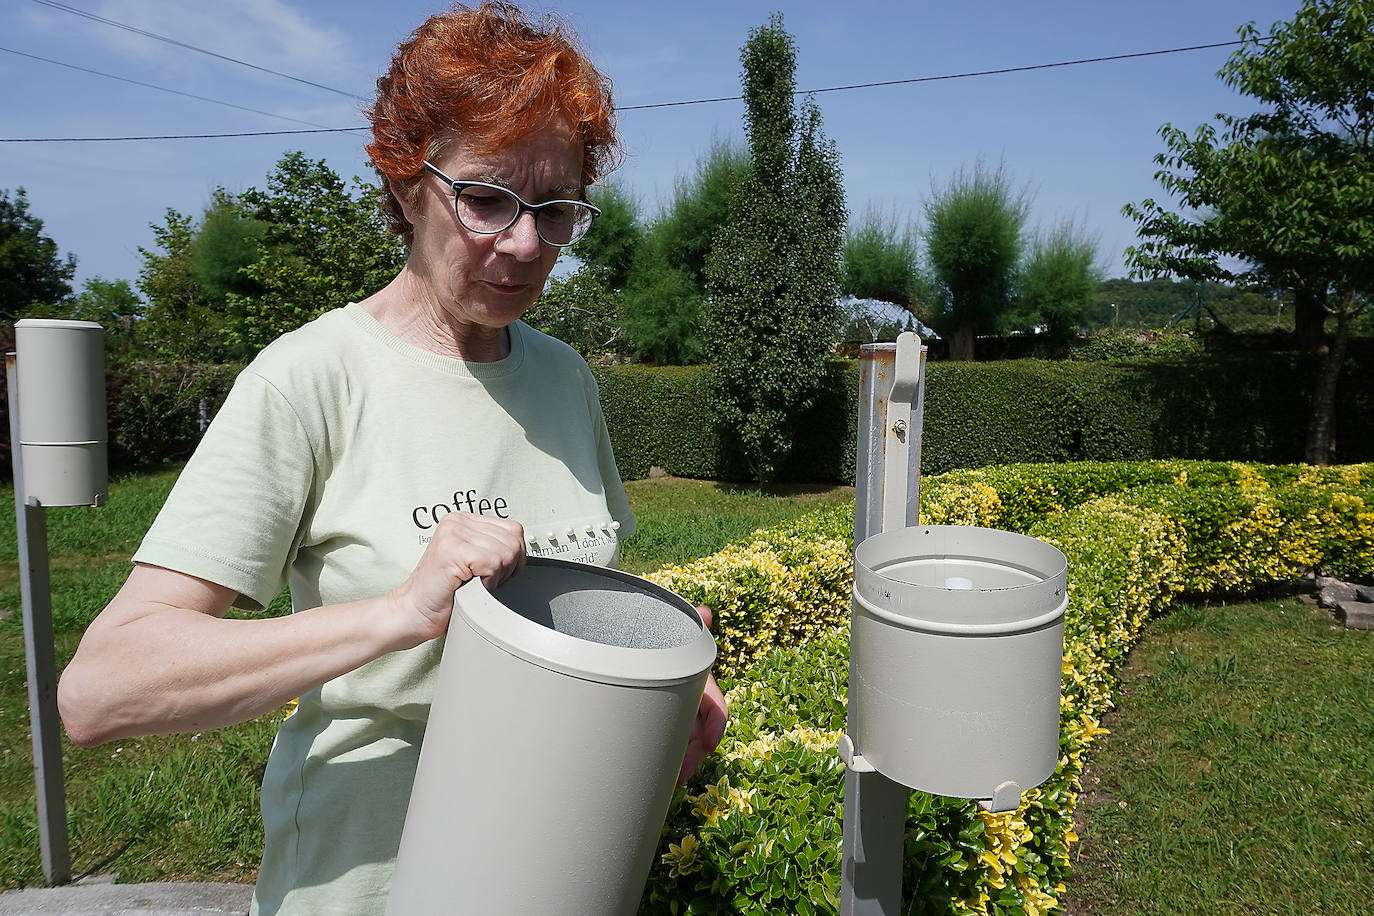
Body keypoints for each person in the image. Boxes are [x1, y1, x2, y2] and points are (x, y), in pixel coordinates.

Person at [56, 4, 727, 914]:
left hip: (556, 873)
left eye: (556, 210)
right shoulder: (311, 379)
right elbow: (101, 693)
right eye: (487, 197)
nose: (525, 245)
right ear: (409, 185)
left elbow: (567, 614)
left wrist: (655, 683)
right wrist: (402, 612)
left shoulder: (568, 380)